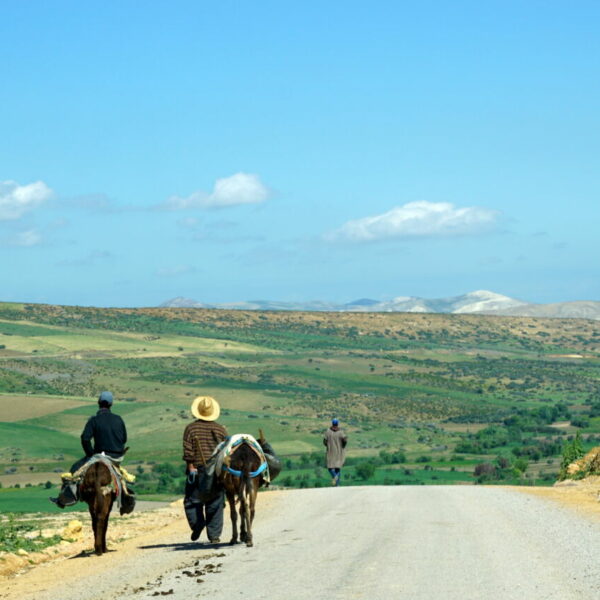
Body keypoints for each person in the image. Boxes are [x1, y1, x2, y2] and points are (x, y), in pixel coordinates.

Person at [50, 391, 128, 508]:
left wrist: (90, 454)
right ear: (111, 404)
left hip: (99, 456)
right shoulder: (119, 419)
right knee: (122, 475)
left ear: (98, 403)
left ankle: (65, 500)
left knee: (75, 470)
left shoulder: (94, 420)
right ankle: (126, 498)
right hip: (117, 458)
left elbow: (85, 438)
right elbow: (124, 439)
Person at [183, 395, 228, 543]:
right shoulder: (221, 430)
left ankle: (197, 524)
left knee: (192, 500)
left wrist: (190, 466)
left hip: (197, 469)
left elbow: (188, 451)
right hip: (216, 471)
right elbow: (226, 451)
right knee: (215, 501)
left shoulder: (191, 428)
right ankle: (214, 535)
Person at [323, 418, 347, 486]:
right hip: (339, 452)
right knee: (337, 468)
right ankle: (337, 482)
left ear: (332, 423)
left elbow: (324, 441)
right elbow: (345, 440)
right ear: (337, 423)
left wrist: (328, 445)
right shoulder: (341, 432)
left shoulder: (328, 431)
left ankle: (335, 478)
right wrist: (343, 446)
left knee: (330, 467)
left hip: (330, 452)